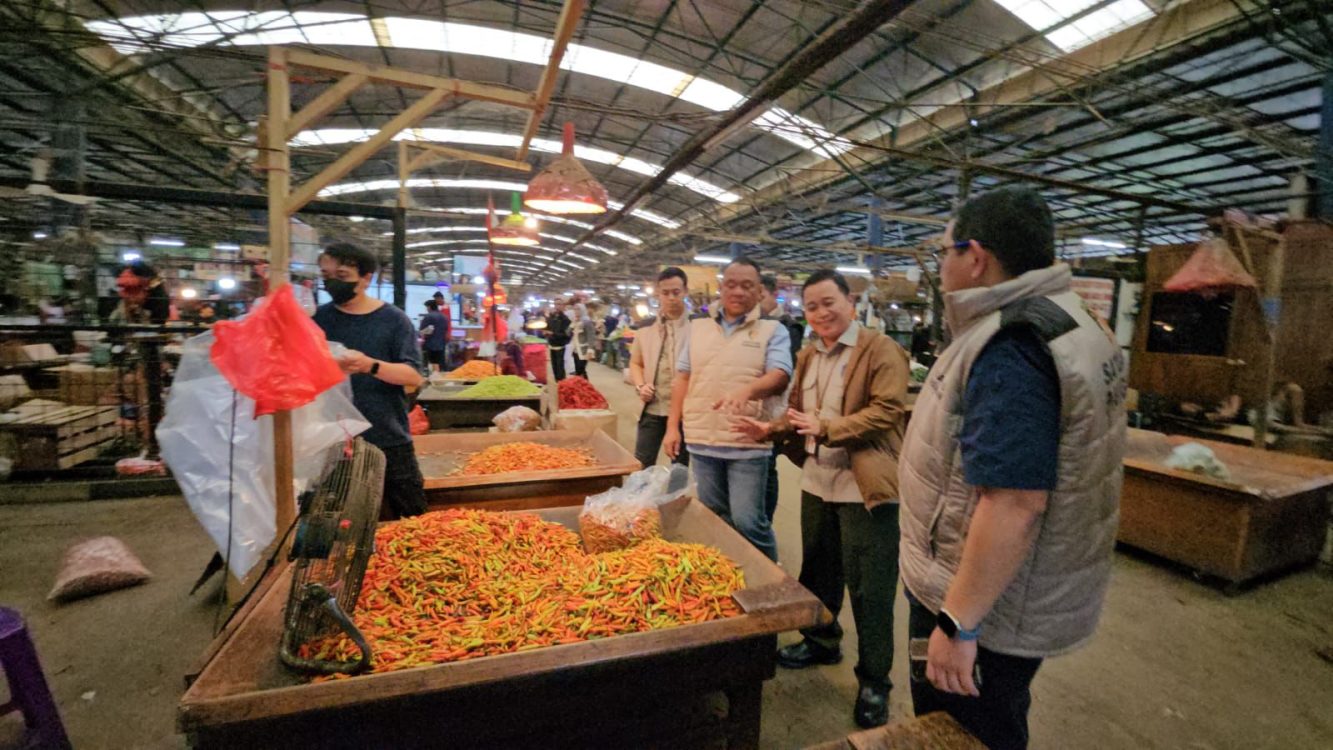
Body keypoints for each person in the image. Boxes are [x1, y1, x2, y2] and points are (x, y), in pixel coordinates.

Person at [898, 187, 1127, 750]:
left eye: (946, 251)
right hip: (1021, 590)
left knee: (959, 732)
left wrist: (958, 623)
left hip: (984, 604)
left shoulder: (1011, 346)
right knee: (997, 718)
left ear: (975, 257)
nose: (942, 265)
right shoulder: (1075, 319)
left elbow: (1015, 503)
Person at [734, 269, 909, 728]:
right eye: (811, 306)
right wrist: (771, 428)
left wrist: (829, 428)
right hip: (817, 482)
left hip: (864, 489)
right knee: (819, 571)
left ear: (850, 302)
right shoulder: (809, 354)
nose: (821, 313)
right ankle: (821, 641)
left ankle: (874, 681)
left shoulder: (880, 349)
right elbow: (801, 415)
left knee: (870, 589)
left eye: (829, 302)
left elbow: (888, 410)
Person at [665, 257, 792, 561]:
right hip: (702, 440)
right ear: (721, 288)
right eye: (731, 284)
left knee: (749, 520)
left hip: (746, 442)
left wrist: (748, 390)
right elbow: (682, 378)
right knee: (714, 517)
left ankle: (770, 578)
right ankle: (727, 574)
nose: (738, 292)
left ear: (759, 291)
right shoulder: (698, 329)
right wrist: (672, 427)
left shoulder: (773, 330)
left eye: (747, 286)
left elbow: (780, 374)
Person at [313, 242, 428, 520]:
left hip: (387, 437)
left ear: (366, 278)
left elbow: (413, 377)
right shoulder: (318, 319)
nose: (332, 283)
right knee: (332, 521)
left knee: (413, 517)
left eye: (342, 276)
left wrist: (369, 365)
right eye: (326, 276)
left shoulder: (394, 320)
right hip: (331, 440)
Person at [629, 267, 692, 469]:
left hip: (685, 411)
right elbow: (635, 363)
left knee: (679, 466)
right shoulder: (645, 328)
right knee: (642, 463)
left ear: (685, 291)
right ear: (658, 294)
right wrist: (641, 386)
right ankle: (643, 492)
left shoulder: (699, 326)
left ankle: (676, 491)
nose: (671, 298)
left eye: (676, 292)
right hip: (653, 407)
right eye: (665, 293)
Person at [759, 274, 806, 521]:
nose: (756, 301)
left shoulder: (789, 327)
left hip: (776, 408)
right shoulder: (751, 324)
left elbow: (782, 374)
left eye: (761, 296)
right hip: (753, 408)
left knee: (768, 465)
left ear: (773, 295)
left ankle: (766, 519)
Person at [544, 298, 572, 381]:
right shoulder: (551, 318)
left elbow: (567, 335)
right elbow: (547, 327)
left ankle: (562, 382)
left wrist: (553, 333)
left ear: (563, 306)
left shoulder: (566, 320)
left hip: (561, 345)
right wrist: (545, 332)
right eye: (555, 304)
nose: (557, 306)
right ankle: (558, 382)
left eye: (559, 304)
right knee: (554, 365)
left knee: (560, 366)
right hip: (552, 344)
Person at [420, 300, 449, 373]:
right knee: (440, 363)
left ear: (429, 307)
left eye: (427, 307)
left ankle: (433, 376)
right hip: (441, 344)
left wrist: (422, 335)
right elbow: (446, 329)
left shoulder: (428, 316)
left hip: (430, 344)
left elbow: (424, 330)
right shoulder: (444, 317)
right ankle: (439, 376)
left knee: (431, 364)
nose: (426, 309)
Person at [570, 303, 597, 379]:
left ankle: (584, 385)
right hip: (575, 350)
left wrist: (590, 350)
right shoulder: (575, 321)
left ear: (582, 310)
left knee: (580, 370)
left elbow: (591, 336)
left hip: (584, 350)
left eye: (578, 309)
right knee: (578, 371)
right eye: (575, 309)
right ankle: (581, 385)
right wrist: (572, 324)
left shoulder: (587, 322)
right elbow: (567, 333)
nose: (576, 311)